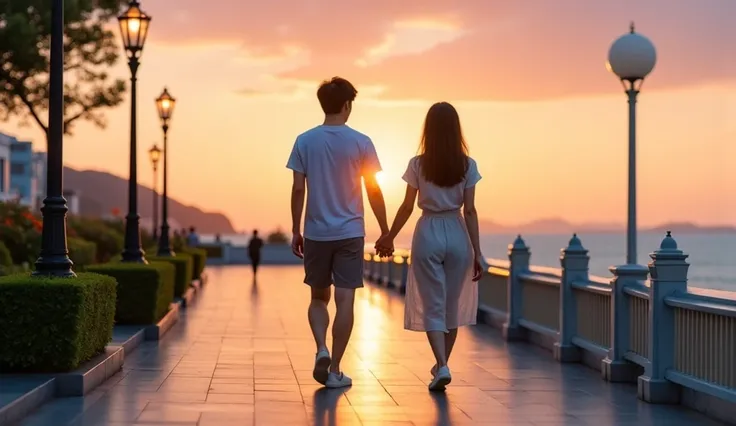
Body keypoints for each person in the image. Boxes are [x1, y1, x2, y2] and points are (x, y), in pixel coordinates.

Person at [287, 76, 390, 389]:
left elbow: (297, 188)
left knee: (318, 297)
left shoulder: (304, 140)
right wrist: (385, 230)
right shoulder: (361, 141)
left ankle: (321, 347)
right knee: (345, 301)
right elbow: (373, 189)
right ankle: (335, 370)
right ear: (347, 105)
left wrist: (295, 229)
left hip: (316, 232)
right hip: (349, 233)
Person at [376, 102, 483, 392]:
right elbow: (470, 211)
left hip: (428, 232)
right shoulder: (467, 164)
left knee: (433, 304)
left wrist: (389, 236)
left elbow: (407, 206)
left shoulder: (417, 164)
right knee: (451, 306)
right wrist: (478, 253)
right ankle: (442, 364)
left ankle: (442, 364)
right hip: (457, 232)